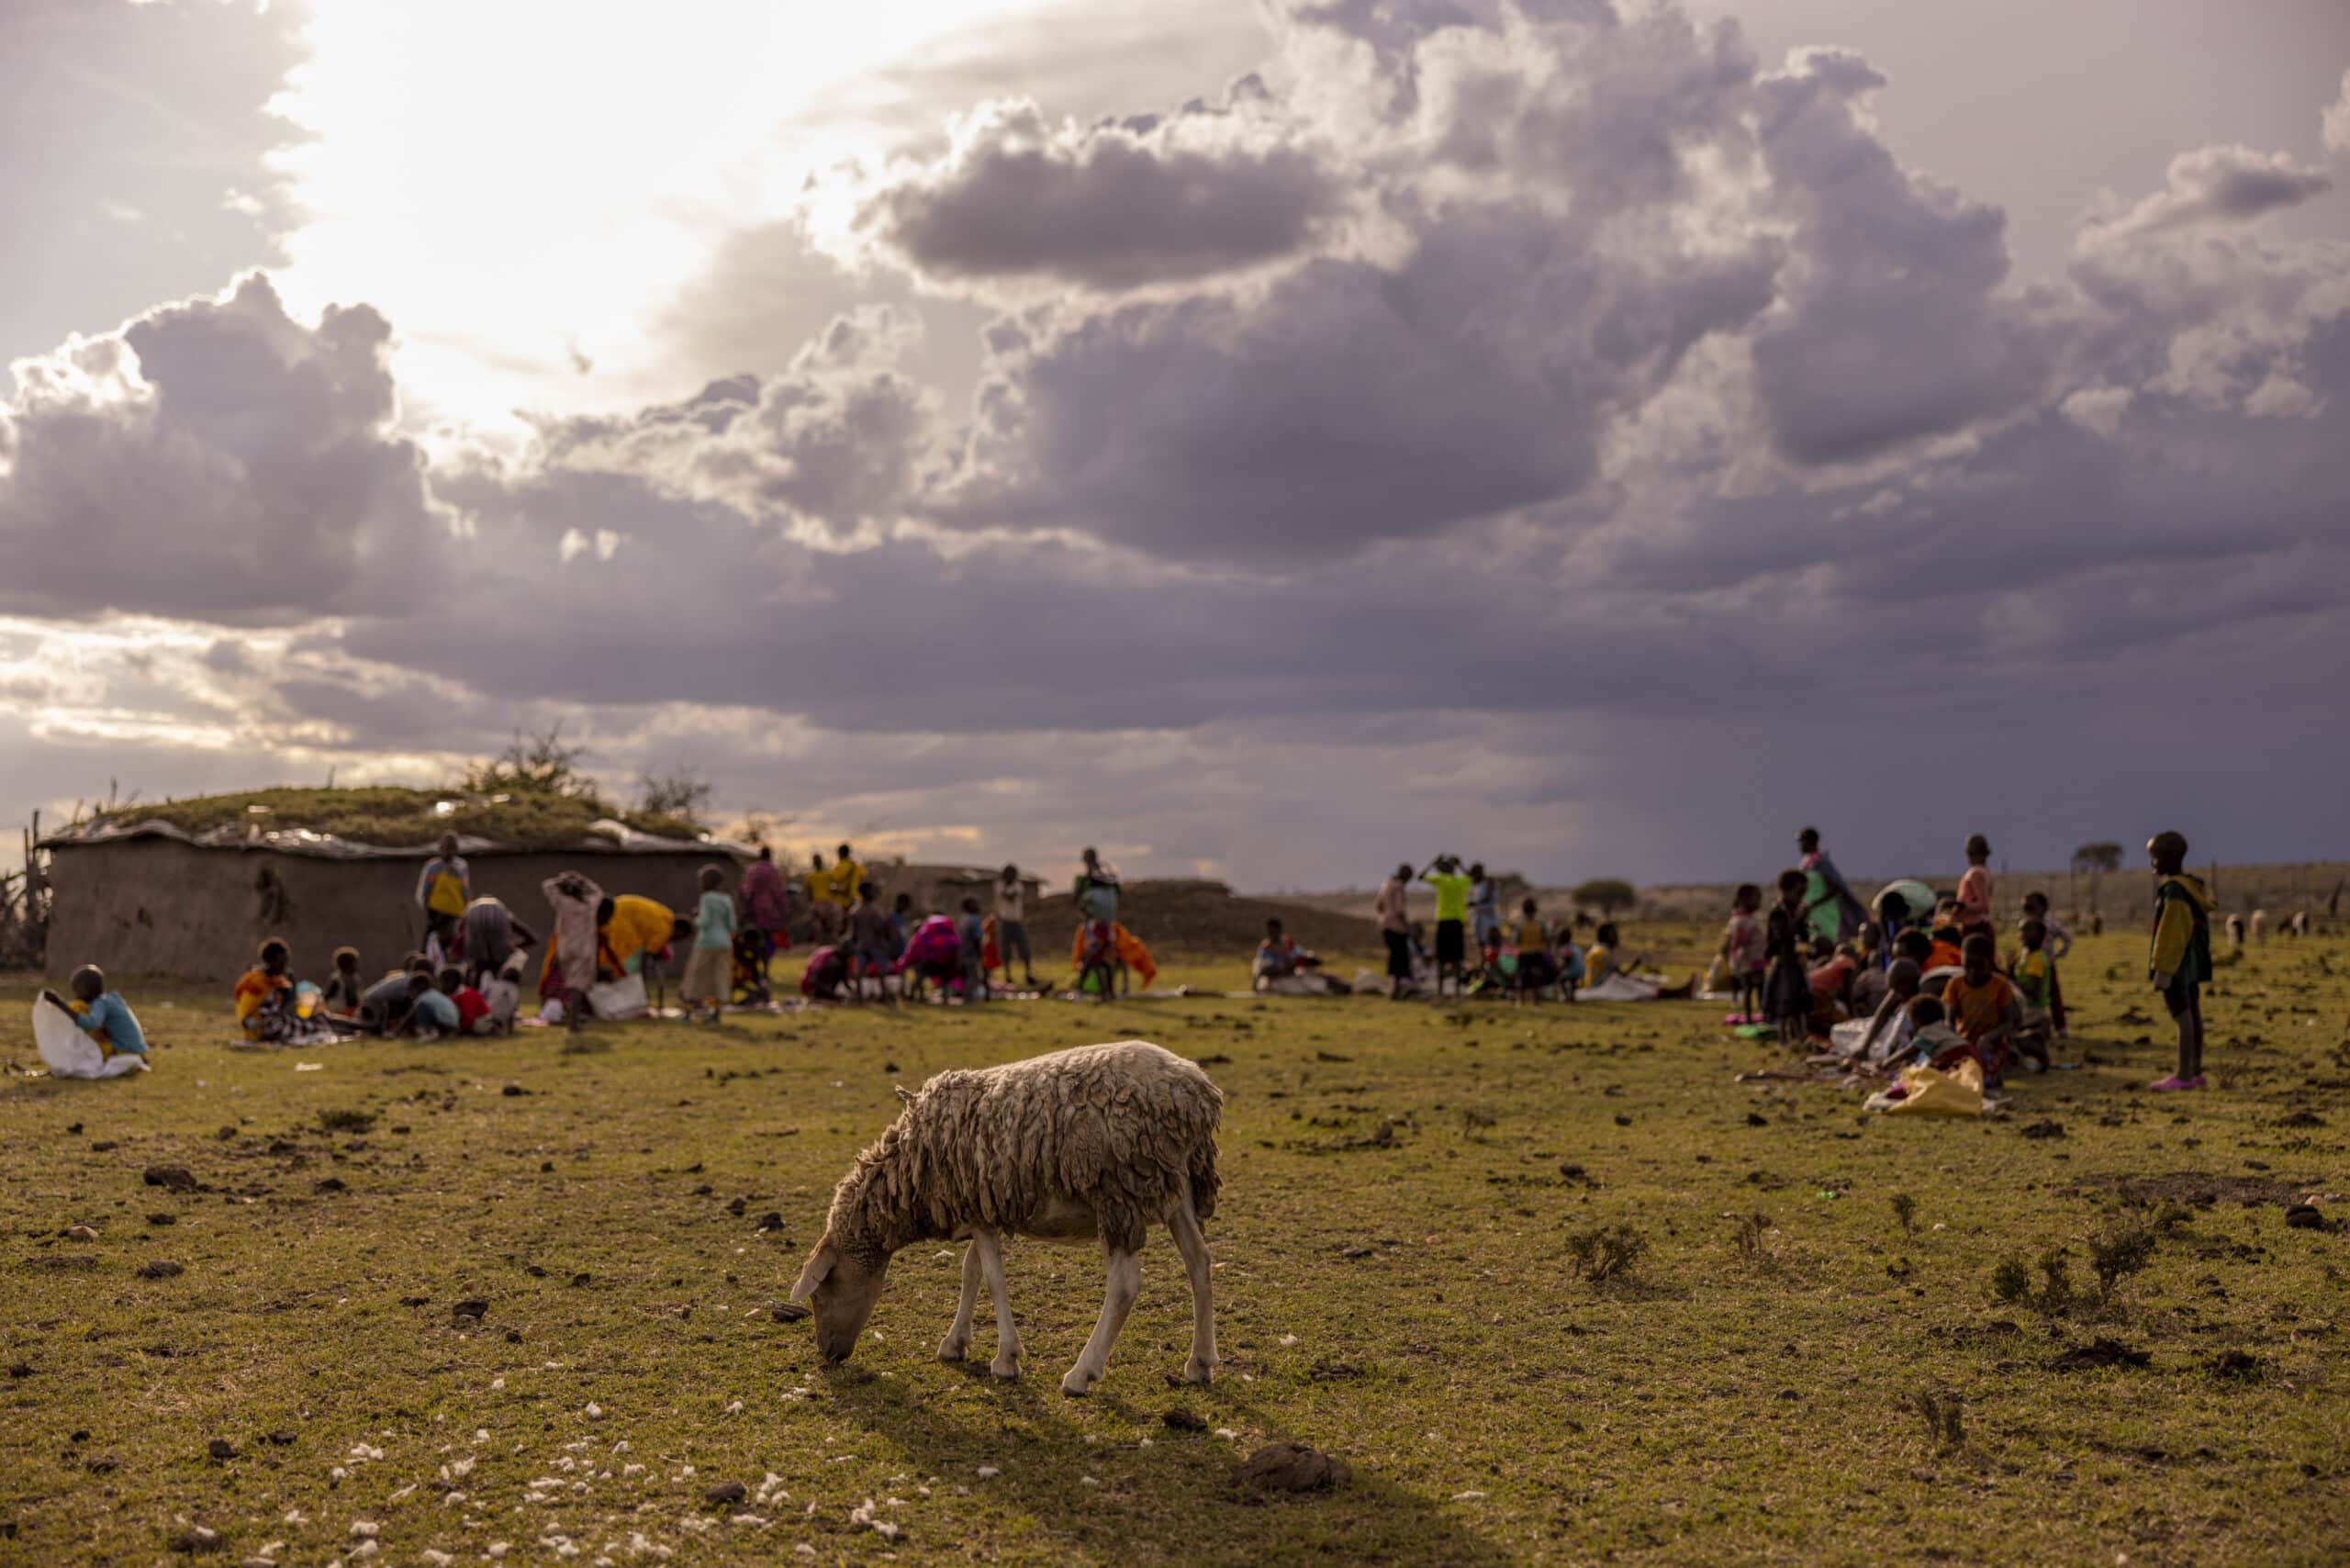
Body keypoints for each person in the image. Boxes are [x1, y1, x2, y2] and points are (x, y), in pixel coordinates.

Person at [2146, 830, 2214, 1092]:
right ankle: (2195, 1071)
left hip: (2175, 963)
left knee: (2181, 1015)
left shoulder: (2174, 891)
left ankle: (2183, 1075)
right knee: (2193, 1012)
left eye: (2155, 858)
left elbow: (2171, 934)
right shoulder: (2192, 887)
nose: (2152, 863)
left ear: (2169, 857)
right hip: (2191, 962)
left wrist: (2162, 969)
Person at [1937, 932, 2024, 1082]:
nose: (1972, 972)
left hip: (1993, 1044)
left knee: (1983, 1076)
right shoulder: (1955, 985)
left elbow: (2009, 1022)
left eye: (1978, 967)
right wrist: (1955, 1040)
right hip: (1964, 1042)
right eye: (1968, 966)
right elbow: (1949, 1020)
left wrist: (1988, 1037)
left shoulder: (2000, 986)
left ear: (1990, 962)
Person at [39, 966, 150, 1078]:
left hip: (124, 1050)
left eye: (76, 989)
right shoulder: (111, 999)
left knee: (88, 1033)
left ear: (85, 989)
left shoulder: (100, 1003)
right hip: (136, 1049)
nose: (75, 994)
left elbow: (90, 1024)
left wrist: (60, 1003)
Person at [542, 872, 604, 1030]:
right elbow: (599, 892)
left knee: (570, 983)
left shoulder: (563, 903)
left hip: (565, 949)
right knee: (578, 986)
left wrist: (562, 880)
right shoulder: (589, 904)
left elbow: (547, 885)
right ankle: (574, 1021)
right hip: (584, 949)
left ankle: (572, 1015)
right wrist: (584, 880)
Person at [1762, 870, 1812, 1047]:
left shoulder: (1794, 912)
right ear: (1785, 890)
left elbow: (1803, 937)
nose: (1801, 897)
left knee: (1798, 1003)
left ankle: (1799, 1038)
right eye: (1799, 893)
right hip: (1784, 962)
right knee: (1785, 1002)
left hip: (1795, 962)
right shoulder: (1778, 913)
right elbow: (1782, 937)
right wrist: (1799, 918)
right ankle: (1783, 1039)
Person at [682, 864, 736, 1022]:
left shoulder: (706, 898)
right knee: (720, 976)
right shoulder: (726, 899)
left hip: (706, 942)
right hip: (725, 943)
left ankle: (687, 1014)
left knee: (695, 976)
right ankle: (716, 1014)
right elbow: (732, 925)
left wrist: (695, 918)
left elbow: (704, 922)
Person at [1796, 828, 1867, 946]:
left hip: (1825, 912)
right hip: (1810, 912)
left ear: (1810, 841)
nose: (1799, 845)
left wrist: (1813, 904)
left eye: (1800, 841)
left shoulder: (1821, 863)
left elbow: (1834, 888)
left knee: (1828, 942)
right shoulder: (1805, 864)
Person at [1419, 855, 1472, 997]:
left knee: (1442, 958)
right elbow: (1472, 878)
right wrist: (1461, 864)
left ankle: (1441, 991)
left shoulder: (1441, 880)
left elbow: (1420, 876)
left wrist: (1432, 862)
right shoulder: (1461, 881)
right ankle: (1456, 990)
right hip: (1457, 923)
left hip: (1443, 922)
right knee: (1457, 958)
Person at [459, 896, 537, 990]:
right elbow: (531, 938)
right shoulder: (502, 914)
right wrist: (510, 946)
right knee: (496, 978)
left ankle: (473, 997)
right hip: (498, 951)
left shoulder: (472, 913)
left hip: (482, 951)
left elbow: (459, 931)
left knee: (477, 974)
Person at [739, 846, 792, 980]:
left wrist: (745, 910)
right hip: (770, 914)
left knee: (755, 941)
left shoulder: (752, 870)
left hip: (754, 913)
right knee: (768, 941)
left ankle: (754, 970)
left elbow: (747, 892)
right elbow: (779, 893)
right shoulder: (774, 871)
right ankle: (765, 969)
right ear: (770, 856)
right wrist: (784, 910)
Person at [415, 834, 472, 957]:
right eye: (446, 846)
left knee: (454, 947)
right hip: (437, 914)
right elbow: (425, 891)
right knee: (431, 946)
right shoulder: (433, 867)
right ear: (440, 848)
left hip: (457, 913)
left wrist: (467, 909)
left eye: (452, 847)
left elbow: (465, 890)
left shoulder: (461, 867)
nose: (449, 850)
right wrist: (429, 913)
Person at [1721, 884, 1765, 1023]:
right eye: (1756, 898)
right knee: (1749, 989)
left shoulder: (1748, 919)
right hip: (1748, 961)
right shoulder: (1741, 921)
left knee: (1760, 989)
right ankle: (1749, 1018)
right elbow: (1737, 943)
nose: (1759, 902)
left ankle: (1761, 1016)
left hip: (1757, 959)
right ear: (1745, 899)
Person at [847, 880, 895, 1001]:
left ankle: (859, 996)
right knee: (881, 970)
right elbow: (879, 929)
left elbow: (853, 933)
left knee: (860, 971)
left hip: (861, 945)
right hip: (875, 945)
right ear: (868, 892)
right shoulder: (875, 911)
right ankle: (884, 995)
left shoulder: (855, 911)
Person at [1375, 862, 1414, 1001]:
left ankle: (1394, 989)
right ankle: (1398, 991)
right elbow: (1399, 910)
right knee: (1401, 958)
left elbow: (1379, 905)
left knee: (1394, 956)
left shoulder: (1387, 884)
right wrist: (1407, 926)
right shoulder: (1398, 886)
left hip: (1385, 925)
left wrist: (1383, 918)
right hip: (1397, 927)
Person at [995, 865, 1036, 989]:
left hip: (1017, 921)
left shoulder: (1018, 885)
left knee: (1024, 948)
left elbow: (1011, 896)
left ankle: (1028, 973)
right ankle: (1008, 975)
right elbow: (1004, 895)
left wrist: (1008, 887)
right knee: (1005, 949)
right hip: (1004, 921)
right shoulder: (999, 884)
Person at [1511, 898, 1558, 1000]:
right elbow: (1546, 937)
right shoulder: (1540, 922)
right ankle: (1536, 999)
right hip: (1537, 953)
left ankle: (1521, 999)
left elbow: (1515, 939)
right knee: (1536, 975)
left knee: (1521, 976)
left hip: (1523, 953)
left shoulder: (1520, 923)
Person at [1953, 834, 1995, 938]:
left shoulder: (1976, 873)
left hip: (1975, 928)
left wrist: (1962, 906)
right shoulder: (1985, 871)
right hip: (1977, 927)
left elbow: (1983, 905)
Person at [438, 967, 492, 1036]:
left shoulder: (465, 994)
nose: (441, 985)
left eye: (443, 982)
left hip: (482, 1023)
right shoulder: (457, 993)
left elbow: (469, 1019)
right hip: (473, 1024)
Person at [805, 852, 843, 946]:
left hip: (817, 905)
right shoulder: (828, 875)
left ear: (814, 864)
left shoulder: (810, 877)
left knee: (818, 930)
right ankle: (833, 946)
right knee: (833, 928)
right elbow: (835, 888)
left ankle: (820, 946)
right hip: (828, 904)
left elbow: (809, 894)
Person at [957, 897, 990, 1002]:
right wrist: (980, 953)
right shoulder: (975, 919)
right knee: (973, 977)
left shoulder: (964, 919)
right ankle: (968, 999)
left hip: (962, 952)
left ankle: (968, 997)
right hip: (970, 953)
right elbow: (976, 938)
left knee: (968, 976)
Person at [322, 946, 365, 1016]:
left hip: (353, 1010)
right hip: (342, 1012)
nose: (356, 966)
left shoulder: (354, 977)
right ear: (345, 964)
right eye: (353, 963)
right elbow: (326, 997)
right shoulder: (337, 980)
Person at [1468, 864, 1501, 950]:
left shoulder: (1489, 881)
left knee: (1492, 940)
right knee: (1481, 943)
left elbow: (1488, 897)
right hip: (1478, 917)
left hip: (1489, 916)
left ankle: (1493, 961)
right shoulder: (1476, 884)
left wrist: (1474, 903)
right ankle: (1485, 961)